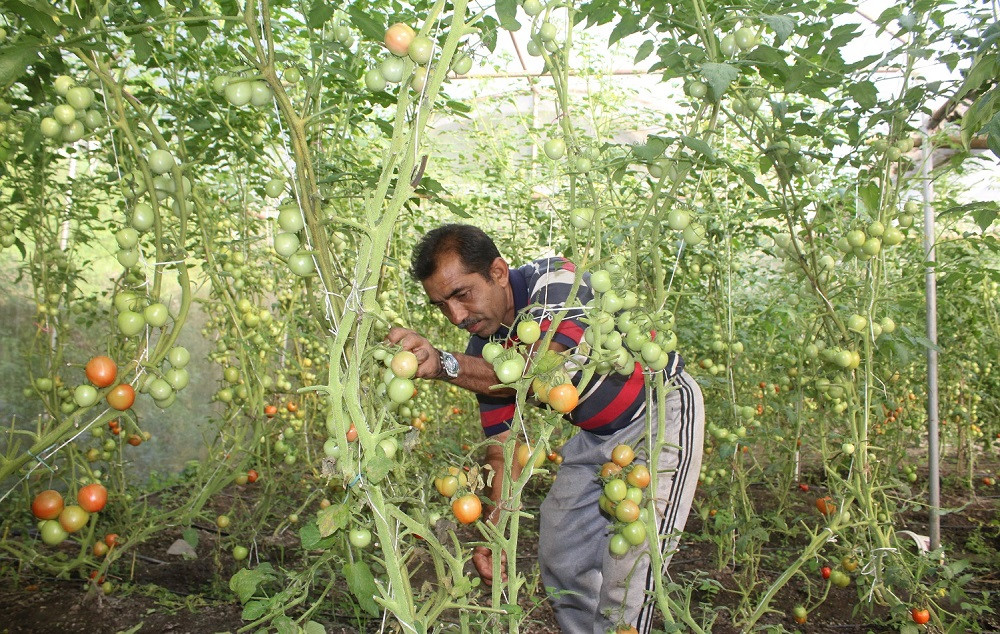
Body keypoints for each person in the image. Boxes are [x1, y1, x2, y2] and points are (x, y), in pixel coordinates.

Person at [387, 224, 705, 634]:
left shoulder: (556, 280)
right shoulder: (482, 354)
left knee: (631, 570)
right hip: (597, 437)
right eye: (441, 306)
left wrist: (445, 365)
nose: (456, 317)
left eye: (461, 295)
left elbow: (536, 371)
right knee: (561, 554)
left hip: (661, 414)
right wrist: (493, 533)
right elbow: (504, 447)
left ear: (498, 272)